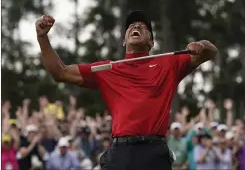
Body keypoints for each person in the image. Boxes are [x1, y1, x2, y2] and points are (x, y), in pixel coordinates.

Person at [35, 10, 217, 170]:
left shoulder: (169, 63)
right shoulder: (107, 69)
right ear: (123, 41)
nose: (136, 25)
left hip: (154, 153)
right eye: (131, 25)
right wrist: (42, 38)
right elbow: (60, 72)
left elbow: (211, 52)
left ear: (151, 42)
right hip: (120, 153)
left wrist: (201, 45)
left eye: (143, 26)